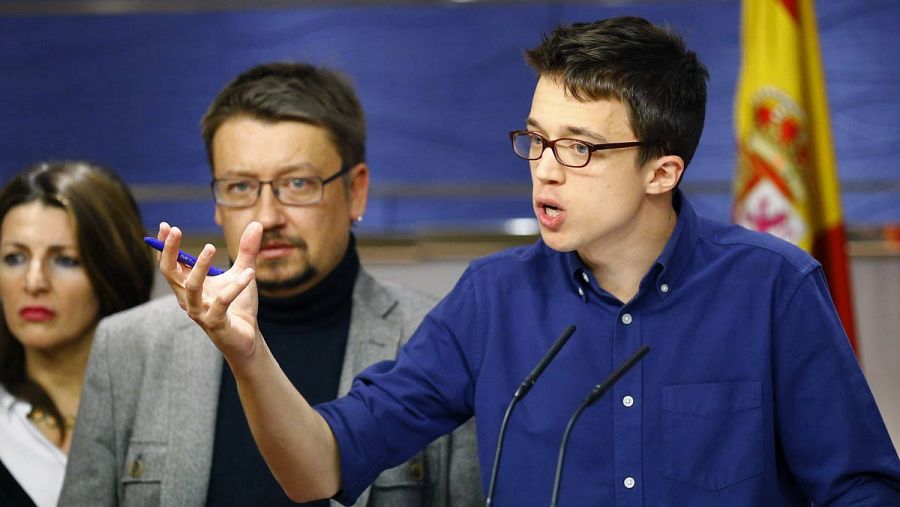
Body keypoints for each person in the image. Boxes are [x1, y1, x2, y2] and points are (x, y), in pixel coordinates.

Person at [153, 17, 900, 506]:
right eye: (536, 140)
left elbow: (860, 490)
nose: (543, 169)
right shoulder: (492, 298)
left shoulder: (772, 286)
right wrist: (246, 355)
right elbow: (319, 467)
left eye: (578, 147)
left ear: (661, 171)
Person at [60, 62, 482, 506]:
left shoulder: (439, 339)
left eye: (297, 183)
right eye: (240, 187)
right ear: (217, 202)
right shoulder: (129, 345)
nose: (267, 216)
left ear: (355, 191)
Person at [0, 161, 154, 507]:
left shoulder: (163, 411)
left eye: (65, 260)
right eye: (14, 258)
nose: (34, 282)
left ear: (112, 271)